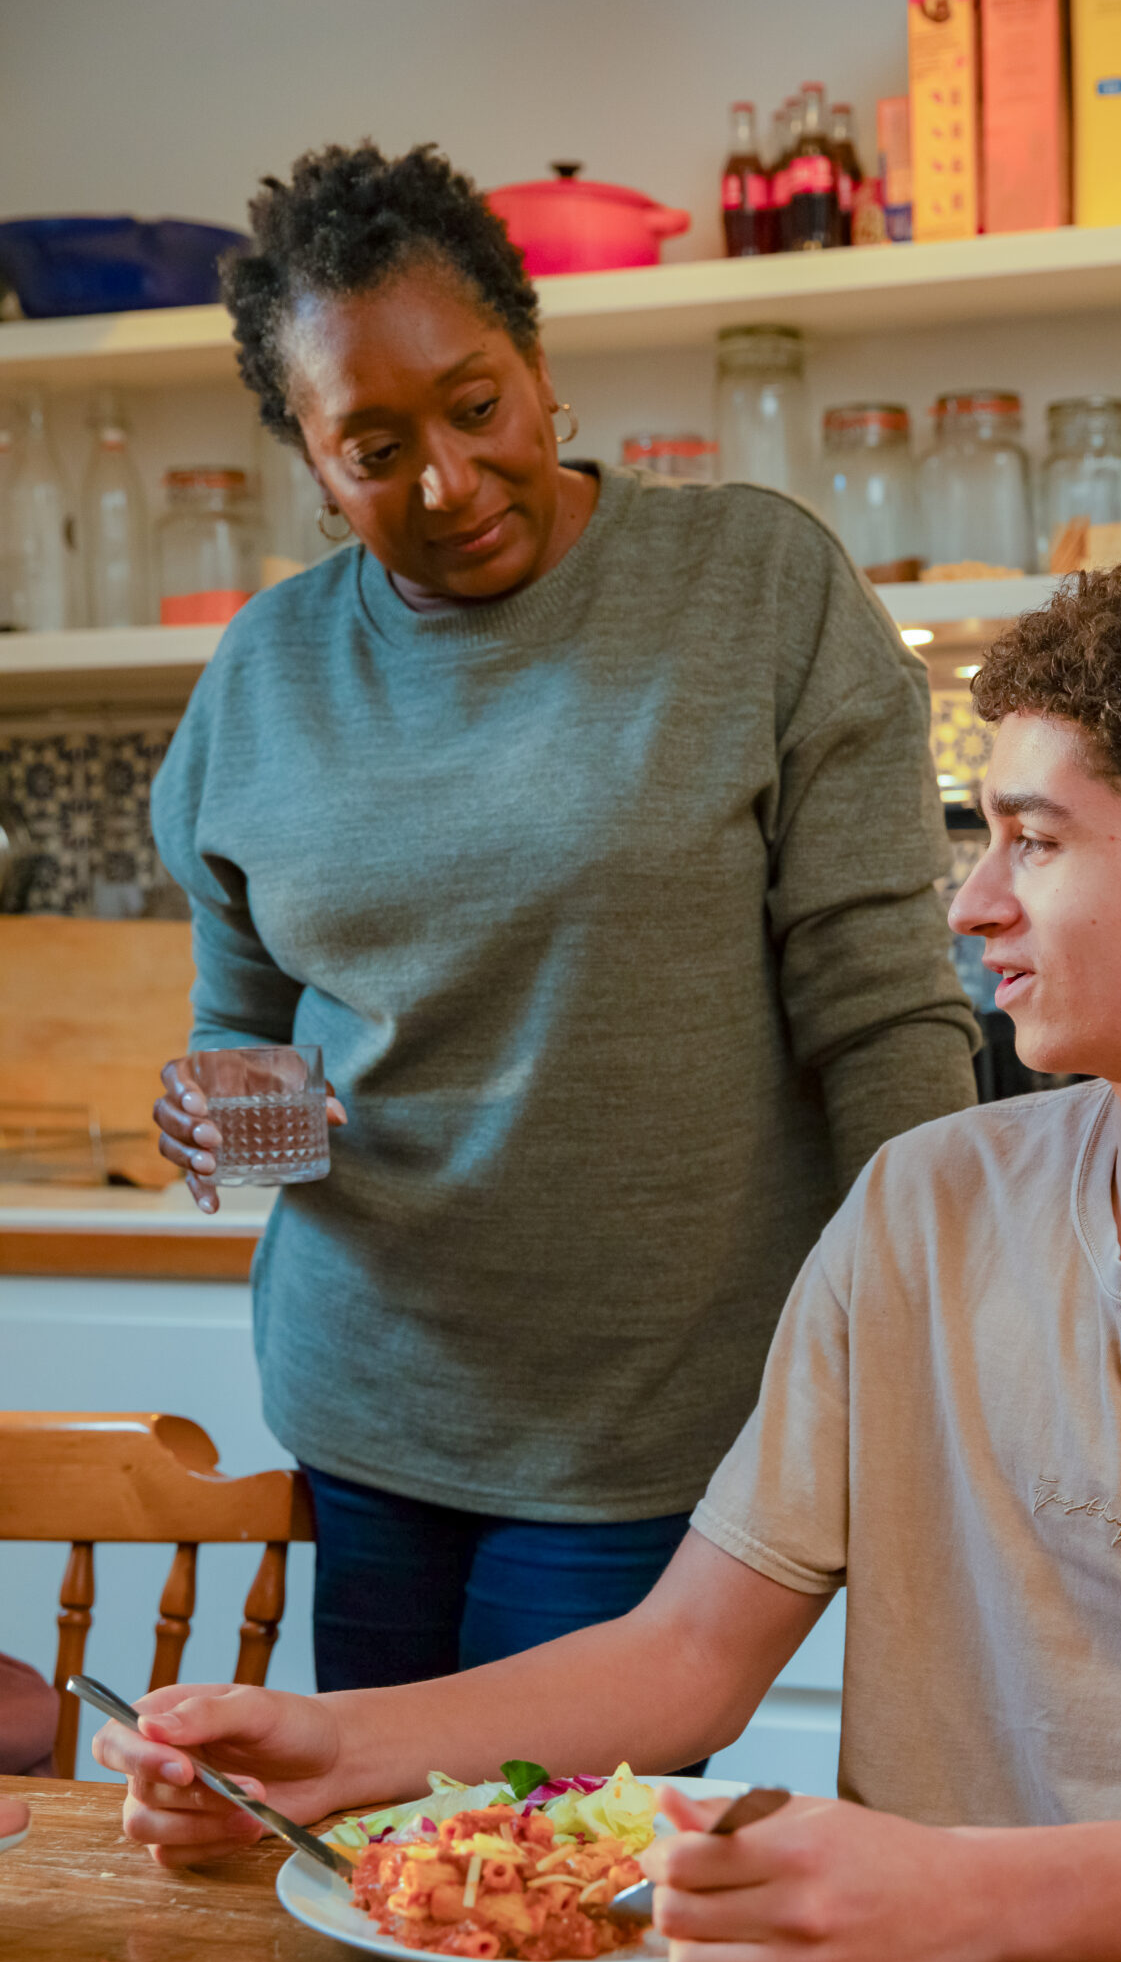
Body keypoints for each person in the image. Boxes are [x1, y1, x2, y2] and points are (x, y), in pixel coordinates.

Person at [106, 557, 1121, 1962]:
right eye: (981, 838)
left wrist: (978, 1901)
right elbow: (684, 1662)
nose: (971, 901)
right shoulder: (925, 1208)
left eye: (1038, 839)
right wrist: (345, 1751)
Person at [148, 141, 976, 1696]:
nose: (448, 484)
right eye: (373, 449)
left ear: (539, 366)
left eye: (475, 407)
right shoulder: (264, 672)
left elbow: (884, 1012)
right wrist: (216, 1106)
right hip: (366, 1397)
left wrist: (917, 1338)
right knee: (386, 1883)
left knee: (546, 1886)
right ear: (313, 467)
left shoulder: (755, 589)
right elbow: (245, 1032)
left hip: (660, 1419)